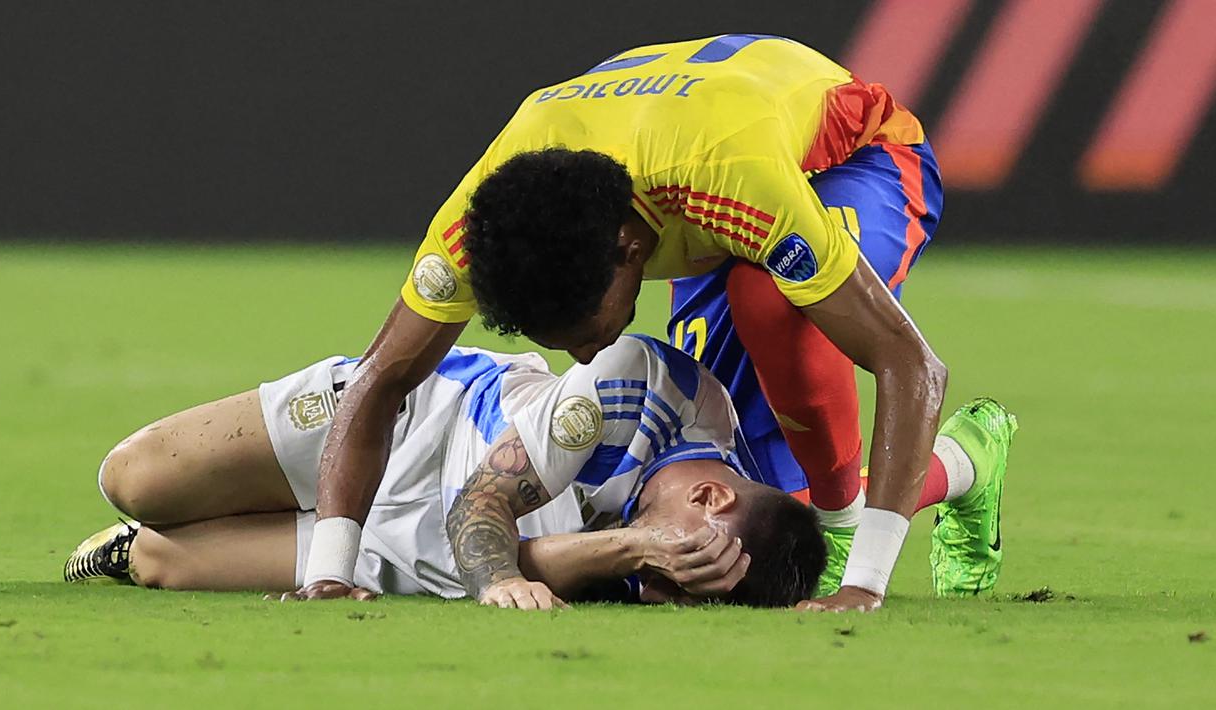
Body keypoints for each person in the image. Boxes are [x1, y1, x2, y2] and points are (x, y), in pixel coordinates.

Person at [294, 34, 1018, 611]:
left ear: (630, 252)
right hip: (680, 175)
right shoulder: (488, 214)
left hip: (847, 158)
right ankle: (965, 463)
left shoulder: (733, 179)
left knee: (772, 305)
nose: (581, 355)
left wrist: (862, 581)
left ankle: (843, 520)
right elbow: (381, 377)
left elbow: (910, 363)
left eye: (583, 325)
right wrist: (328, 571)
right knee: (751, 510)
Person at [65, 336, 828, 608]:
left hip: (427, 554)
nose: (658, 589)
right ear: (709, 494)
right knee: (135, 480)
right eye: (678, 567)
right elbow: (482, 507)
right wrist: (502, 582)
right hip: (416, 425)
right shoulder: (638, 388)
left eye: (675, 591)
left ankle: (128, 549)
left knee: (160, 559)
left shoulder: (689, 545)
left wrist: (629, 552)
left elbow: (529, 560)